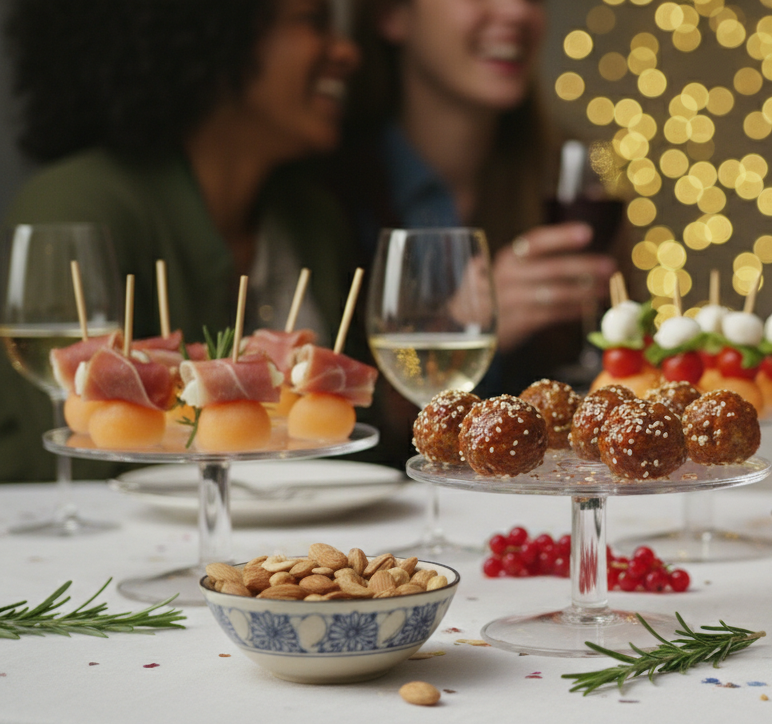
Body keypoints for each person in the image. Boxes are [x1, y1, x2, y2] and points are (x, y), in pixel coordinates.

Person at [1, 0, 362, 482]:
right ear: (218, 34)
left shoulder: (312, 218)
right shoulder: (76, 205)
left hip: (283, 545)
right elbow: (73, 461)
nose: (347, 53)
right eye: (313, 22)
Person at [330, 0, 619, 403]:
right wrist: (459, 327)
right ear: (391, 14)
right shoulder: (326, 188)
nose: (517, 11)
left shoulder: (563, 176)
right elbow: (338, 415)